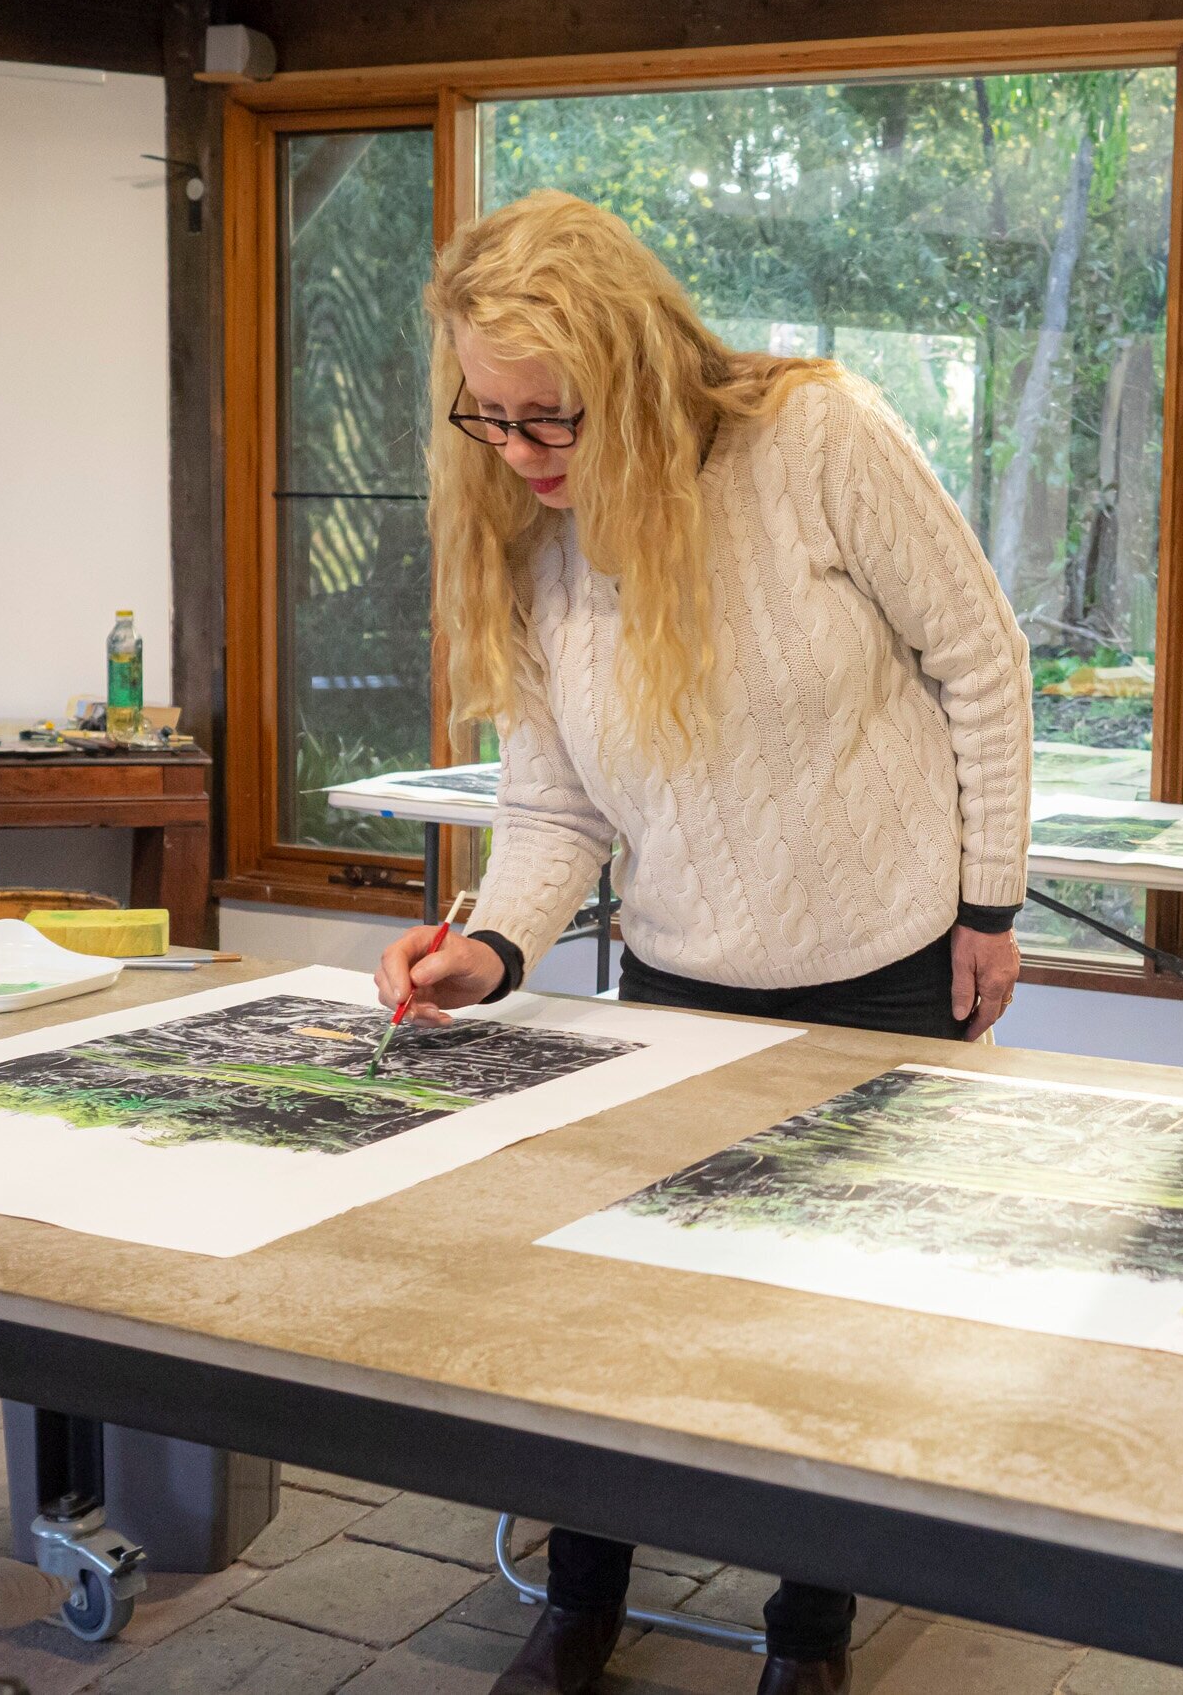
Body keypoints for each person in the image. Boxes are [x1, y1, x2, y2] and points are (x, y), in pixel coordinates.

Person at [372, 190, 1032, 1695]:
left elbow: (980, 667)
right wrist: (486, 948)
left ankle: (808, 1632)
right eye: (492, 418)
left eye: (558, 419)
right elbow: (552, 807)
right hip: (674, 981)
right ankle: (582, 1600)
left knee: (830, 1325)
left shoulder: (818, 439)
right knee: (619, 1324)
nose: (529, 455)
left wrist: (988, 904)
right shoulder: (517, 526)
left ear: (645, 371)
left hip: (883, 966)